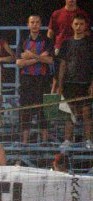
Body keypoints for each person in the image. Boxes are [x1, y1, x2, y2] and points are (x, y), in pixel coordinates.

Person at [16, 15, 54, 144]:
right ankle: (24, 143)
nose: (35, 24)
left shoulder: (47, 41)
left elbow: (50, 60)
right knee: (25, 111)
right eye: (32, 22)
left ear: (41, 24)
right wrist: (38, 58)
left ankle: (44, 142)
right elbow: (19, 62)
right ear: (28, 24)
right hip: (27, 81)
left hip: (43, 80)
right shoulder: (22, 41)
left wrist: (30, 56)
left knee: (43, 111)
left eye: (37, 22)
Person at [56, 15, 93, 149]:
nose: (78, 27)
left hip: (85, 84)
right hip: (69, 84)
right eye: (76, 24)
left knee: (87, 113)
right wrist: (60, 85)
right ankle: (68, 140)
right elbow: (63, 65)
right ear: (72, 25)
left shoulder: (90, 43)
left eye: (81, 24)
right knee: (69, 113)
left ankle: (89, 140)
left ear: (85, 26)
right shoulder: (66, 43)